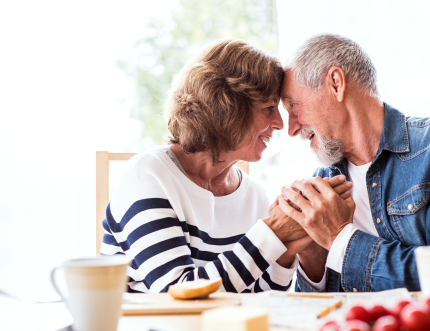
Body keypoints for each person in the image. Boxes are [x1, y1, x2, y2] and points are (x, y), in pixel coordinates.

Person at [100, 38, 351, 293]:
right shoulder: (148, 176)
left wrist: (286, 247)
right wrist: (272, 233)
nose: (279, 124)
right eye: (268, 108)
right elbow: (177, 292)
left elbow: (259, 299)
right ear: (227, 108)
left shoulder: (254, 196)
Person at [274, 33, 430, 293]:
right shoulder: (325, 183)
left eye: (293, 105)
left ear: (336, 84)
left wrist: (340, 239)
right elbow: (319, 315)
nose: (292, 128)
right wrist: (313, 259)